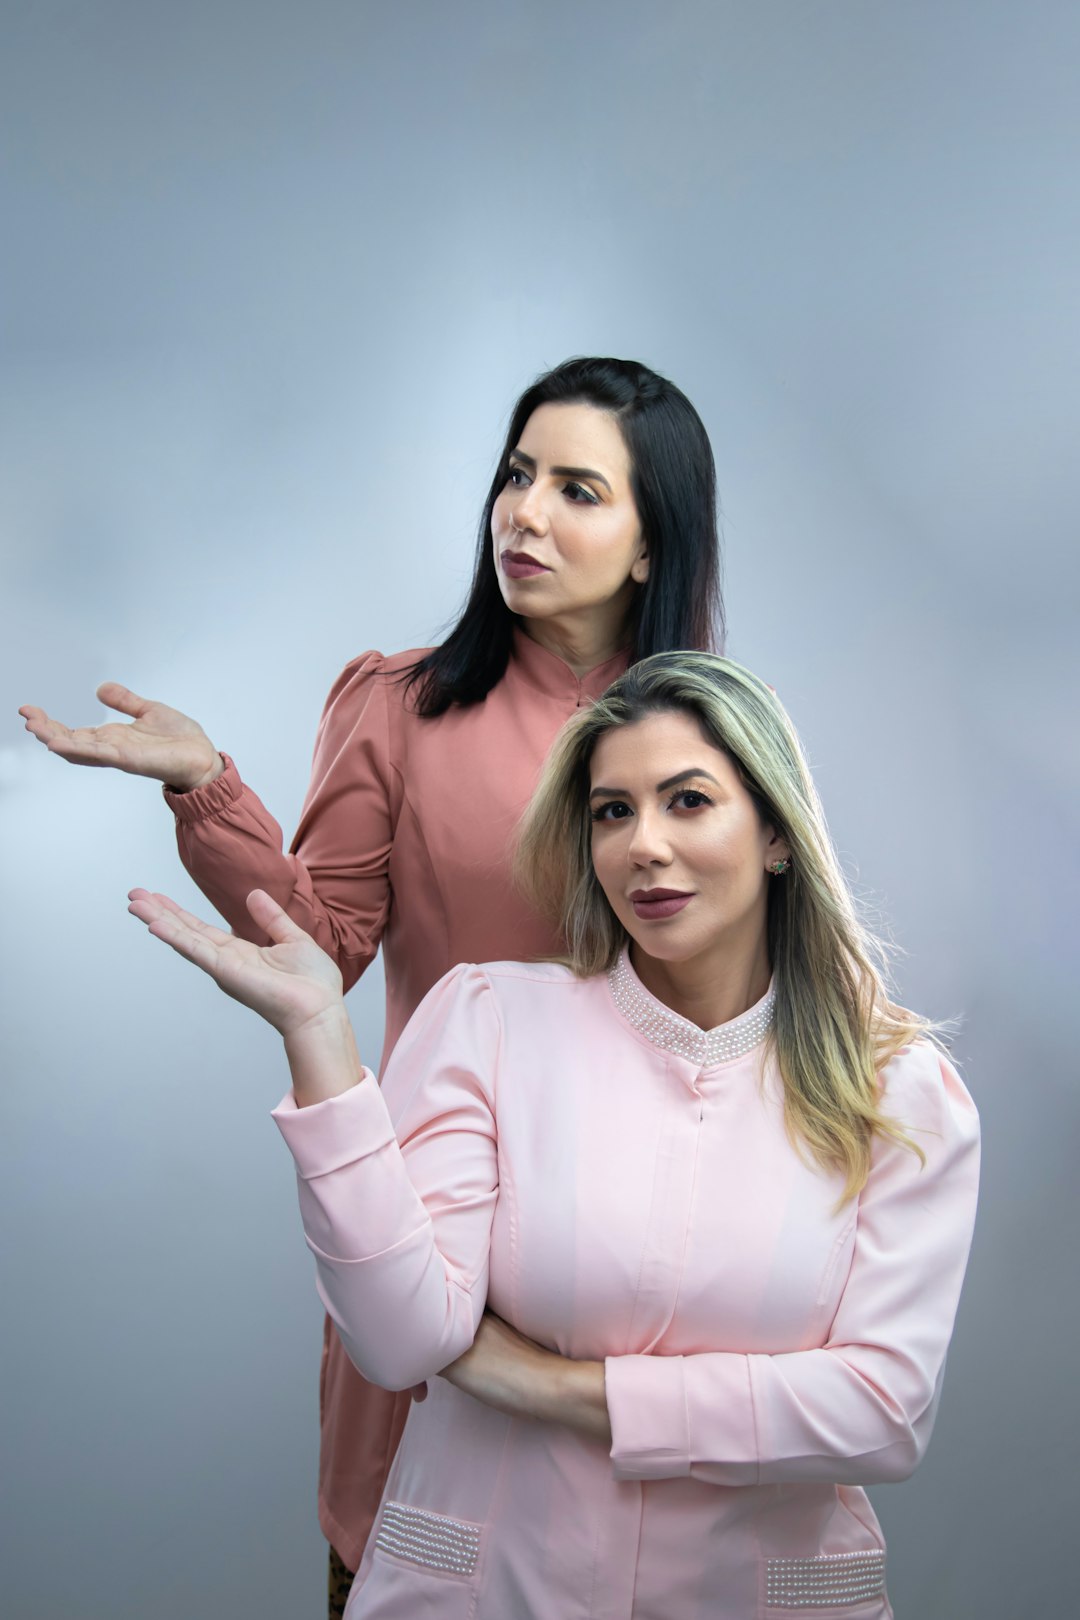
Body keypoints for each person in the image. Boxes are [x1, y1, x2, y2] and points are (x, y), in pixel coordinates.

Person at [18, 357, 724, 1607]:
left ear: (650, 545)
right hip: (432, 1228)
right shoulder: (400, 706)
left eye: (577, 490)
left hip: (643, 1244)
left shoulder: (711, 741)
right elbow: (327, 934)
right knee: (407, 1559)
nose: (525, 514)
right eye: (517, 476)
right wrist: (206, 787)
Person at [128, 650, 979, 1620]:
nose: (643, 846)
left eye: (688, 802)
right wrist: (321, 1044)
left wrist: (558, 1388)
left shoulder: (900, 1092)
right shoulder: (490, 1019)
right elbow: (404, 1342)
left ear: (779, 833)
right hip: (486, 1593)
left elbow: (882, 1414)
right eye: (613, 811)